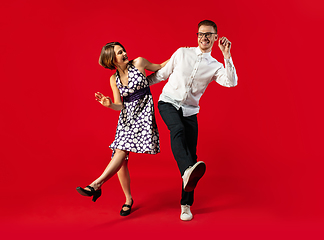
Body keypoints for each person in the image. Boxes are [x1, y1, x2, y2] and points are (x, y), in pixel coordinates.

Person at [147, 20, 238, 221]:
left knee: (192, 156)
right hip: (168, 102)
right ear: (196, 35)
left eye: (208, 34)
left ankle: (185, 204)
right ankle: (187, 171)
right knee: (176, 129)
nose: (204, 37)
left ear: (216, 37)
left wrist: (227, 56)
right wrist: (140, 85)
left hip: (190, 110)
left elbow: (231, 82)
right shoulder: (182, 53)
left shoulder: (215, 65)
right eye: (200, 34)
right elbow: (162, 74)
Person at [76, 42, 168, 216]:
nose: (125, 53)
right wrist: (110, 104)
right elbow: (119, 105)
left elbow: (161, 66)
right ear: (112, 60)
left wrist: (181, 56)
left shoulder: (139, 63)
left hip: (143, 114)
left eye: (123, 50)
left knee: (120, 152)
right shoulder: (113, 79)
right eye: (119, 52)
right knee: (121, 157)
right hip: (126, 117)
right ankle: (128, 199)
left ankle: (96, 184)